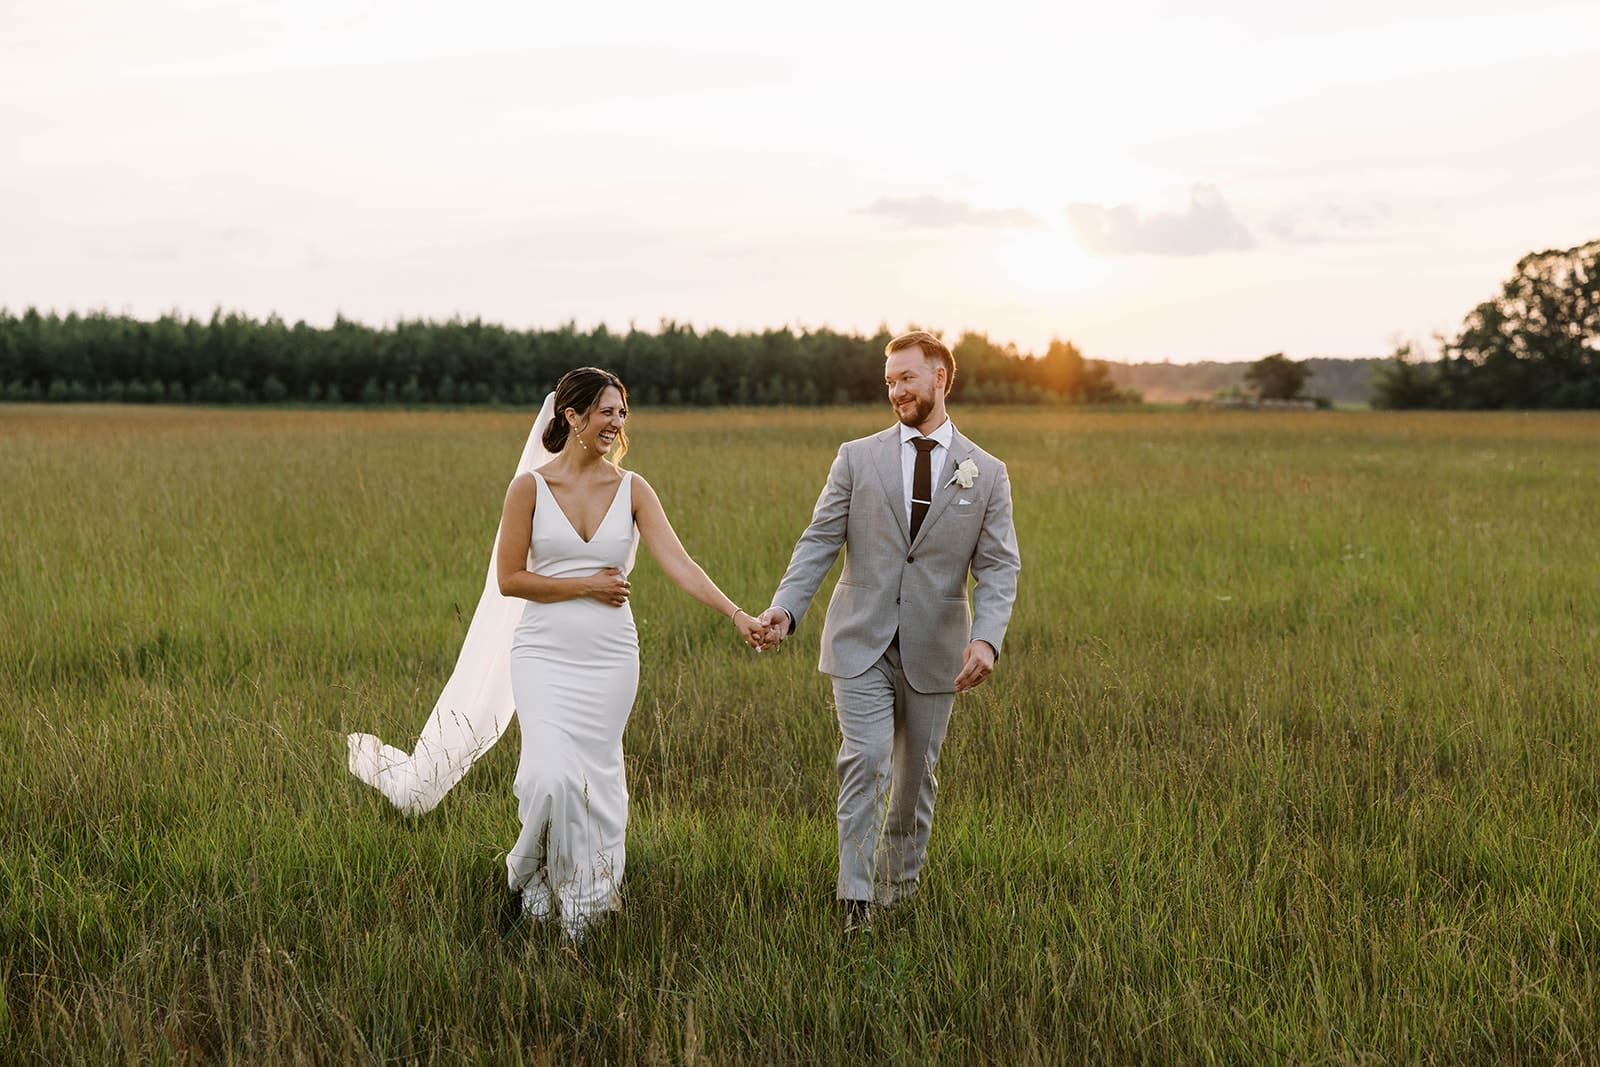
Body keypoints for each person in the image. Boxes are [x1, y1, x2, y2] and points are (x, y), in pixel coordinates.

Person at [350, 367, 765, 943]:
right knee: (547, 776)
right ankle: (530, 875)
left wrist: (736, 614)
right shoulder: (529, 489)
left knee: (594, 777)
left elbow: (680, 562)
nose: (615, 423)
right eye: (604, 411)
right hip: (543, 651)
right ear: (571, 417)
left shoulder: (634, 489)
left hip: (611, 656)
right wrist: (584, 586)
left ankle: (590, 892)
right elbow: (510, 578)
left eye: (622, 412)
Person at [756, 331, 1020, 931]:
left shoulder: (988, 473)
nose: (896, 390)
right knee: (867, 758)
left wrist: (988, 639)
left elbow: (1000, 566)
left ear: (940, 379)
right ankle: (855, 903)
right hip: (860, 640)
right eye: (890, 382)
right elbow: (820, 539)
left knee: (913, 780)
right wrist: (786, 609)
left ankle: (896, 897)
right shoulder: (857, 456)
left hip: (939, 649)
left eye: (907, 378)